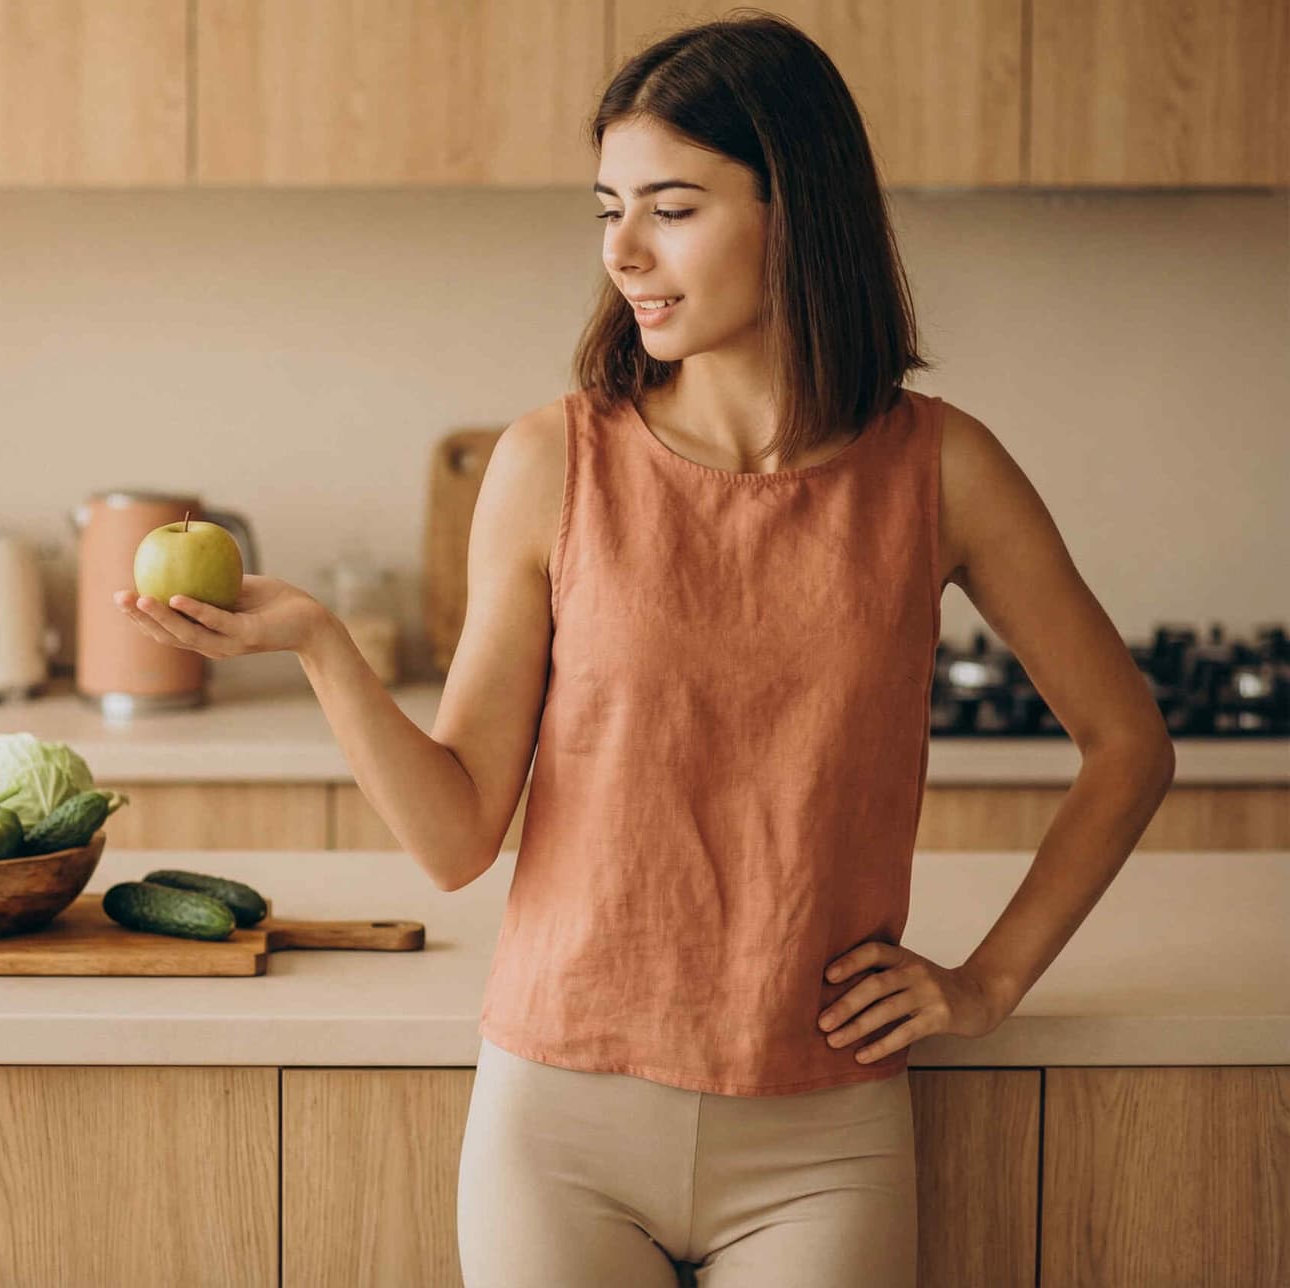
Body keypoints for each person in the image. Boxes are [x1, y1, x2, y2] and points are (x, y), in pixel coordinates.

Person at [115, 13, 1175, 1285]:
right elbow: (456, 838)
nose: (623, 251)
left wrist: (989, 982)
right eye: (609, 209)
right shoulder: (549, 463)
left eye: (671, 208)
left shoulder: (941, 469)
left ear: (795, 211)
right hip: (559, 1126)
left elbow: (1129, 745)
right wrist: (320, 647)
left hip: (824, 1134)